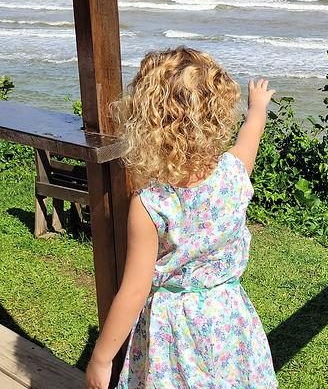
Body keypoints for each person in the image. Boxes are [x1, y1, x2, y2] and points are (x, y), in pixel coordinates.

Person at [85, 46, 278, 389]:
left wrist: (101, 358)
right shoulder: (235, 173)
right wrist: (258, 106)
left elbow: (133, 292)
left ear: (146, 124)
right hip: (228, 316)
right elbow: (252, 134)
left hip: (173, 326)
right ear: (218, 114)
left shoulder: (151, 204)